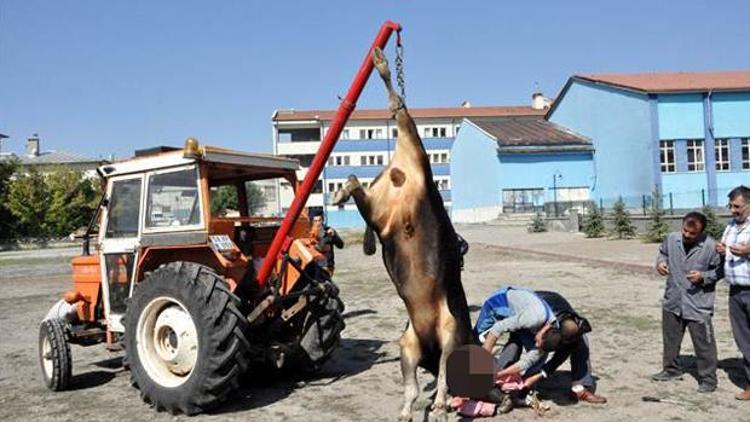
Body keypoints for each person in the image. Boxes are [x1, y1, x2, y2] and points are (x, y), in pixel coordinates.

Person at [652, 211, 721, 393]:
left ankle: (708, 379)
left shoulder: (711, 247)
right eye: (685, 231)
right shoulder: (671, 238)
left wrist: (704, 276)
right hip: (673, 300)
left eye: (692, 234)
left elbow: (720, 271)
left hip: (698, 303)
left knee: (704, 344)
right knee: (670, 339)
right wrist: (660, 263)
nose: (687, 236)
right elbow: (662, 253)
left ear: (702, 232)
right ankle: (671, 369)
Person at [520, 291, 607, 404]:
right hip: (528, 312)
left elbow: (562, 353)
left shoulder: (572, 321)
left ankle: (579, 387)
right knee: (538, 348)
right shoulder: (539, 316)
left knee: (581, 340)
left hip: (553, 312)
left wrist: (542, 374)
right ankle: (515, 384)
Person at [475, 287, 559, 382]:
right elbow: (497, 328)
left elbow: (526, 362)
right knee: (478, 339)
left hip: (524, 318)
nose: (536, 343)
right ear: (544, 331)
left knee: (539, 357)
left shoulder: (552, 333)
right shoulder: (532, 319)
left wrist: (499, 375)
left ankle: (522, 383)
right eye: (538, 341)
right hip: (501, 302)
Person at [717, 186, 750, 400]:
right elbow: (726, 249)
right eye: (730, 206)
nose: (732, 210)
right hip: (736, 291)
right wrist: (721, 249)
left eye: (737, 206)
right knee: (744, 340)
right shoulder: (731, 226)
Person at [310, 211, 344, 275]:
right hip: (316, 266)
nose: (318, 223)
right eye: (315, 221)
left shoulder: (329, 230)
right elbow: (318, 248)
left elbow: (341, 245)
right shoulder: (310, 234)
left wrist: (334, 236)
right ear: (313, 222)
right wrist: (325, 239)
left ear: (322, 221)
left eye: (319, 220)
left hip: (329, 266)